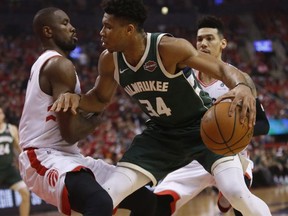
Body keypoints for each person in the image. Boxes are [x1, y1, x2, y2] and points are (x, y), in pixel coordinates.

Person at [51, 0, 271, 215]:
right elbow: (99, 98)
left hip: (202, 128)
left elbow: (222, 70)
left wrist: (241, 85)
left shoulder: (168, 48)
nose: (101, 32)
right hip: (161, 135)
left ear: (128, 30)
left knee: (236, 193)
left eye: (108, 27)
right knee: (108, 192)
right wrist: (76, 99)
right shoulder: (109, 60)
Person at [18, 7, 158, 216]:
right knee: (99, 201)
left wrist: (90, 110)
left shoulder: (53, 63)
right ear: (48, 31)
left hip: (68, 156)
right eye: (65, 23)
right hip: (41, 156)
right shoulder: (59, 65)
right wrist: (96, 119)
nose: (73, 28)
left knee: (148, 201)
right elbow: (71, 133)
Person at [153, 15, 270, 216]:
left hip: (229, 153)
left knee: (240, 200)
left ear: (223, 43)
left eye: (210, 38)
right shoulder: (183, 79)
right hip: (193, 157)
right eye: (199, 39)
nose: (203, 43)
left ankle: (228, 192)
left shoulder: (241, 81)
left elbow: (263, 125)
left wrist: (233, 131)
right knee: (157, 204)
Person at [0, 107, 30, 216]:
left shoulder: (11, 128)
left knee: (25, 193)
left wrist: (24, 162)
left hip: (9, 169)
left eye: (1, 112)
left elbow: (18, 148)